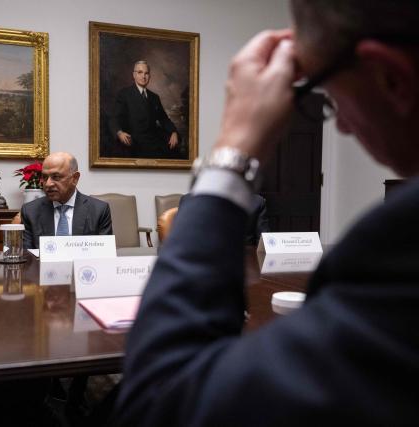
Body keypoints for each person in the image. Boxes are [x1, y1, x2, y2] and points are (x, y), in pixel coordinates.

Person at [114, 1, 419, 425]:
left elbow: (163, 402)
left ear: (391, 79)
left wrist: (232, 154)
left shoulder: (398, 248)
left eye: (329, 97)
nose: (344, 128)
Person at [21, 151, 113, 248]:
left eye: (56, 177)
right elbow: (27, 257)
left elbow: (104, 255)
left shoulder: (99, 210)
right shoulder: (30, 211)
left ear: (75, 178)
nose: (48, 184)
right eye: (44, 177)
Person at [109, 61, 182, 159]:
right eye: (140, 72)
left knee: (175, 149)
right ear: (134, 75)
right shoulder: (124, 94)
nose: (143, 76)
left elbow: (164, 119)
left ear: (149, 76)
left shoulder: (154, 97)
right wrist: (119, 133)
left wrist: (173, 132)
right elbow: (114, 118)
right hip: (134, 140)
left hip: (153, 139)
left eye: (146, 73)